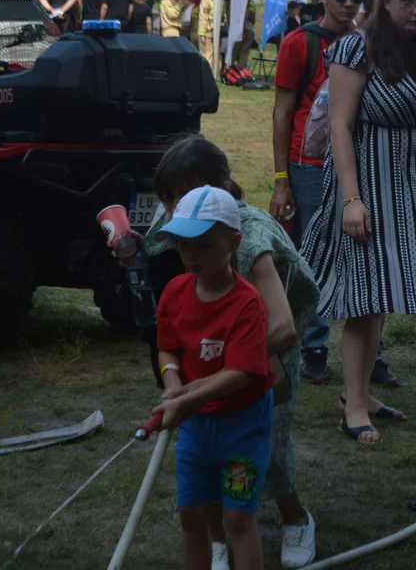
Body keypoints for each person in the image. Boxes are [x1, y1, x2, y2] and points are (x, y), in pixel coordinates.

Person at [301, 0, 416, 444]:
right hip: (367, 187)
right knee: (363, 295)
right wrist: (351, 200)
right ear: (385, 1)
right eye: (406, 1)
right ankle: (353, 404)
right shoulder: (356, 48)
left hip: (410, 190)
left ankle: (359, 395)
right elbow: (339, 126)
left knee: (381, 296)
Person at [146, 138, 320, 569]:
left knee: (270, 440)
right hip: (217, 343)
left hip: (270, 346)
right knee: (205, 466)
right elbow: (152, 247)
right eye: (166, 198)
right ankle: (216, 540)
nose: (170, 208)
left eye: (178, 196)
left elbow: (282, 326)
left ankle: (295, 518)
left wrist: (220, 375)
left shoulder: (248, 239)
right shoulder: (182, 222)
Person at [152, 185, 275, 570]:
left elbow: (241, 373)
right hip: (195, 427)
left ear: (233, 242)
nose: (191, 255)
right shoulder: (174, 292)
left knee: (238, 518)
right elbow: (167, 348)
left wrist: (186, 399)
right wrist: (173, 384)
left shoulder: (246, 303)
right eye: (183, 244)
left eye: (204, 246)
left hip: (241, 427)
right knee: (192, 515)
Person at [270, 0, 375, 387]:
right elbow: (281, 113)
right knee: (311, 258)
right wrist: (281, 180)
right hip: (308, 166)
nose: (349, 4)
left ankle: (371, 350)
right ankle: (313, 345)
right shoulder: (299, 43)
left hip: (353, 165)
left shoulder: (367, 44)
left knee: (361, 256)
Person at [197, 0, 215, 67]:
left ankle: (207, 76)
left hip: (207, 32)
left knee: (206, 56)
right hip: (214, 30)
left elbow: (203, 17)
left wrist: (202, 33)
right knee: (213, 55)